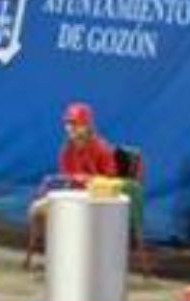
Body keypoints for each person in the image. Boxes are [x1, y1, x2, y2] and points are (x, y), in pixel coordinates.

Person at [25, 101, 123, 267]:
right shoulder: (67, 149)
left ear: (87, 126)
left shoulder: (102, 149)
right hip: (73, 197)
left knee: (67, 213)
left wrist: (87, 181)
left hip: (95, 200)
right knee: (36, 208)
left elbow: (110, 179)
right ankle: (56, 254)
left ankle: (77, 257)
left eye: (75, 124)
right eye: (68, 124)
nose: (71, 128)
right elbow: (66, 178)